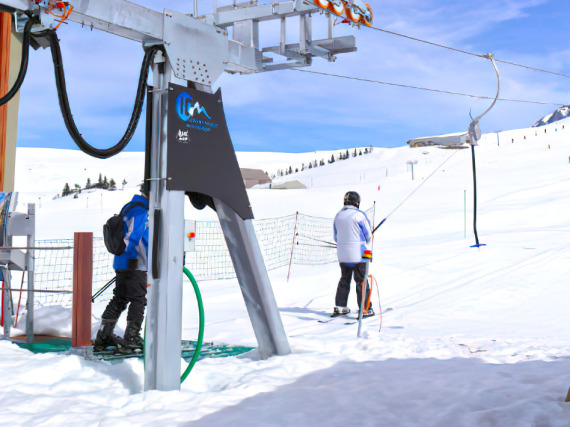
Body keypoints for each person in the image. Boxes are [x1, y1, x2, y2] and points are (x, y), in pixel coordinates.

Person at [93, 189, 149, 353]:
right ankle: (131, 338)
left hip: (123, 262)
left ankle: (103, 336)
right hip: (134, 263)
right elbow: (132, 238)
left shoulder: (130, 207)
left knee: (120, 298)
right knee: (139, 299)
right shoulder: (140, 211)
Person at [332, 191, 374, 317]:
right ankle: (364, 308)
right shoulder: (359, 215)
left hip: (343, 255)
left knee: (344, 279)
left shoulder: (338, 216)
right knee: (361, 280)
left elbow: (335, 237)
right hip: (359, 254)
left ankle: (340, 306)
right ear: (357, 202)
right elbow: (368, 235)